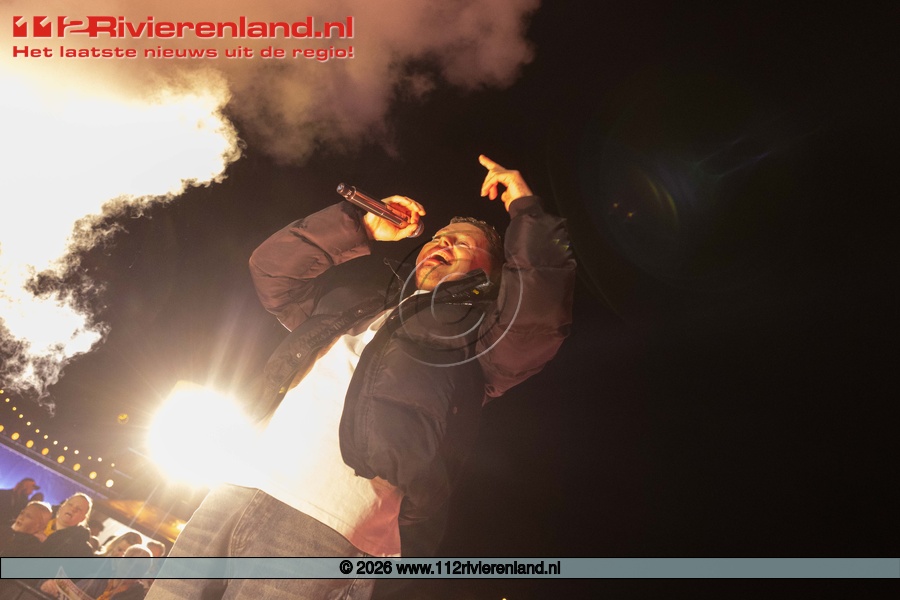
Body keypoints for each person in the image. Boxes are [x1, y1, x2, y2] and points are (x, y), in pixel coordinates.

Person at [145, 155, 576, 600]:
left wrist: (527, 210)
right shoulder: (352, 303)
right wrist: (360, 227)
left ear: (494, 273)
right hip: (232, 487)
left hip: (325, 523)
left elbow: (539, 319)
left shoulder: (480, 337)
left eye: (462, 243)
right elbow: (271, 271)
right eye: (438, 238)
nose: (443, 243)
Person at [40, 544, 153, 600]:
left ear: (142, 574)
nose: (131, 568)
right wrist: (52, 589)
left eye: (139, 567)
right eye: (129, 561)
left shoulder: (137, 596)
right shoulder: (96, 579)